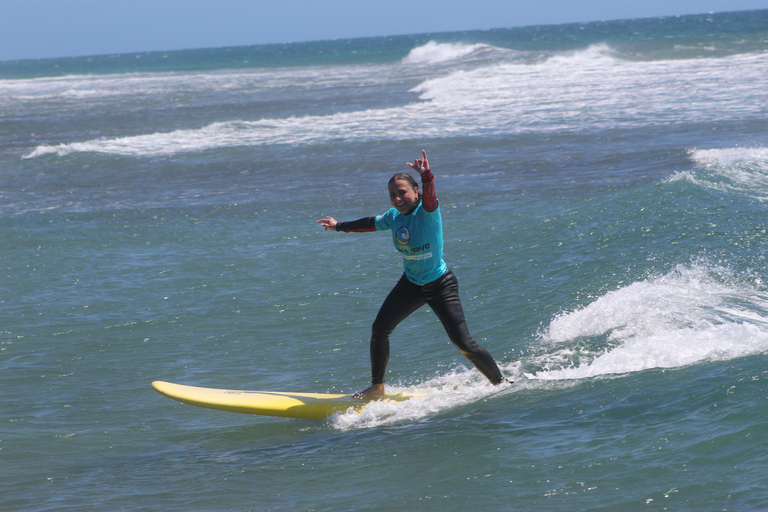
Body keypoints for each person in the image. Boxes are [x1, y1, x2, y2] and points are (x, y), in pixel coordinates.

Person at [317, 150, 507, 397]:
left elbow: (430, 198)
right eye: (392, 194)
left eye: (402, 192)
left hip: (441, 285)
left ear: (415, 192)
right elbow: (370, 223)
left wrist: (427, 176)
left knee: (463, 343)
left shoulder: (428, 213)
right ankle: (377, 387)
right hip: (411, 285)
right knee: (380, 329)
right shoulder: (393, 217)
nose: (397, 198)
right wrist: (339, 226)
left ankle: (501, 384)